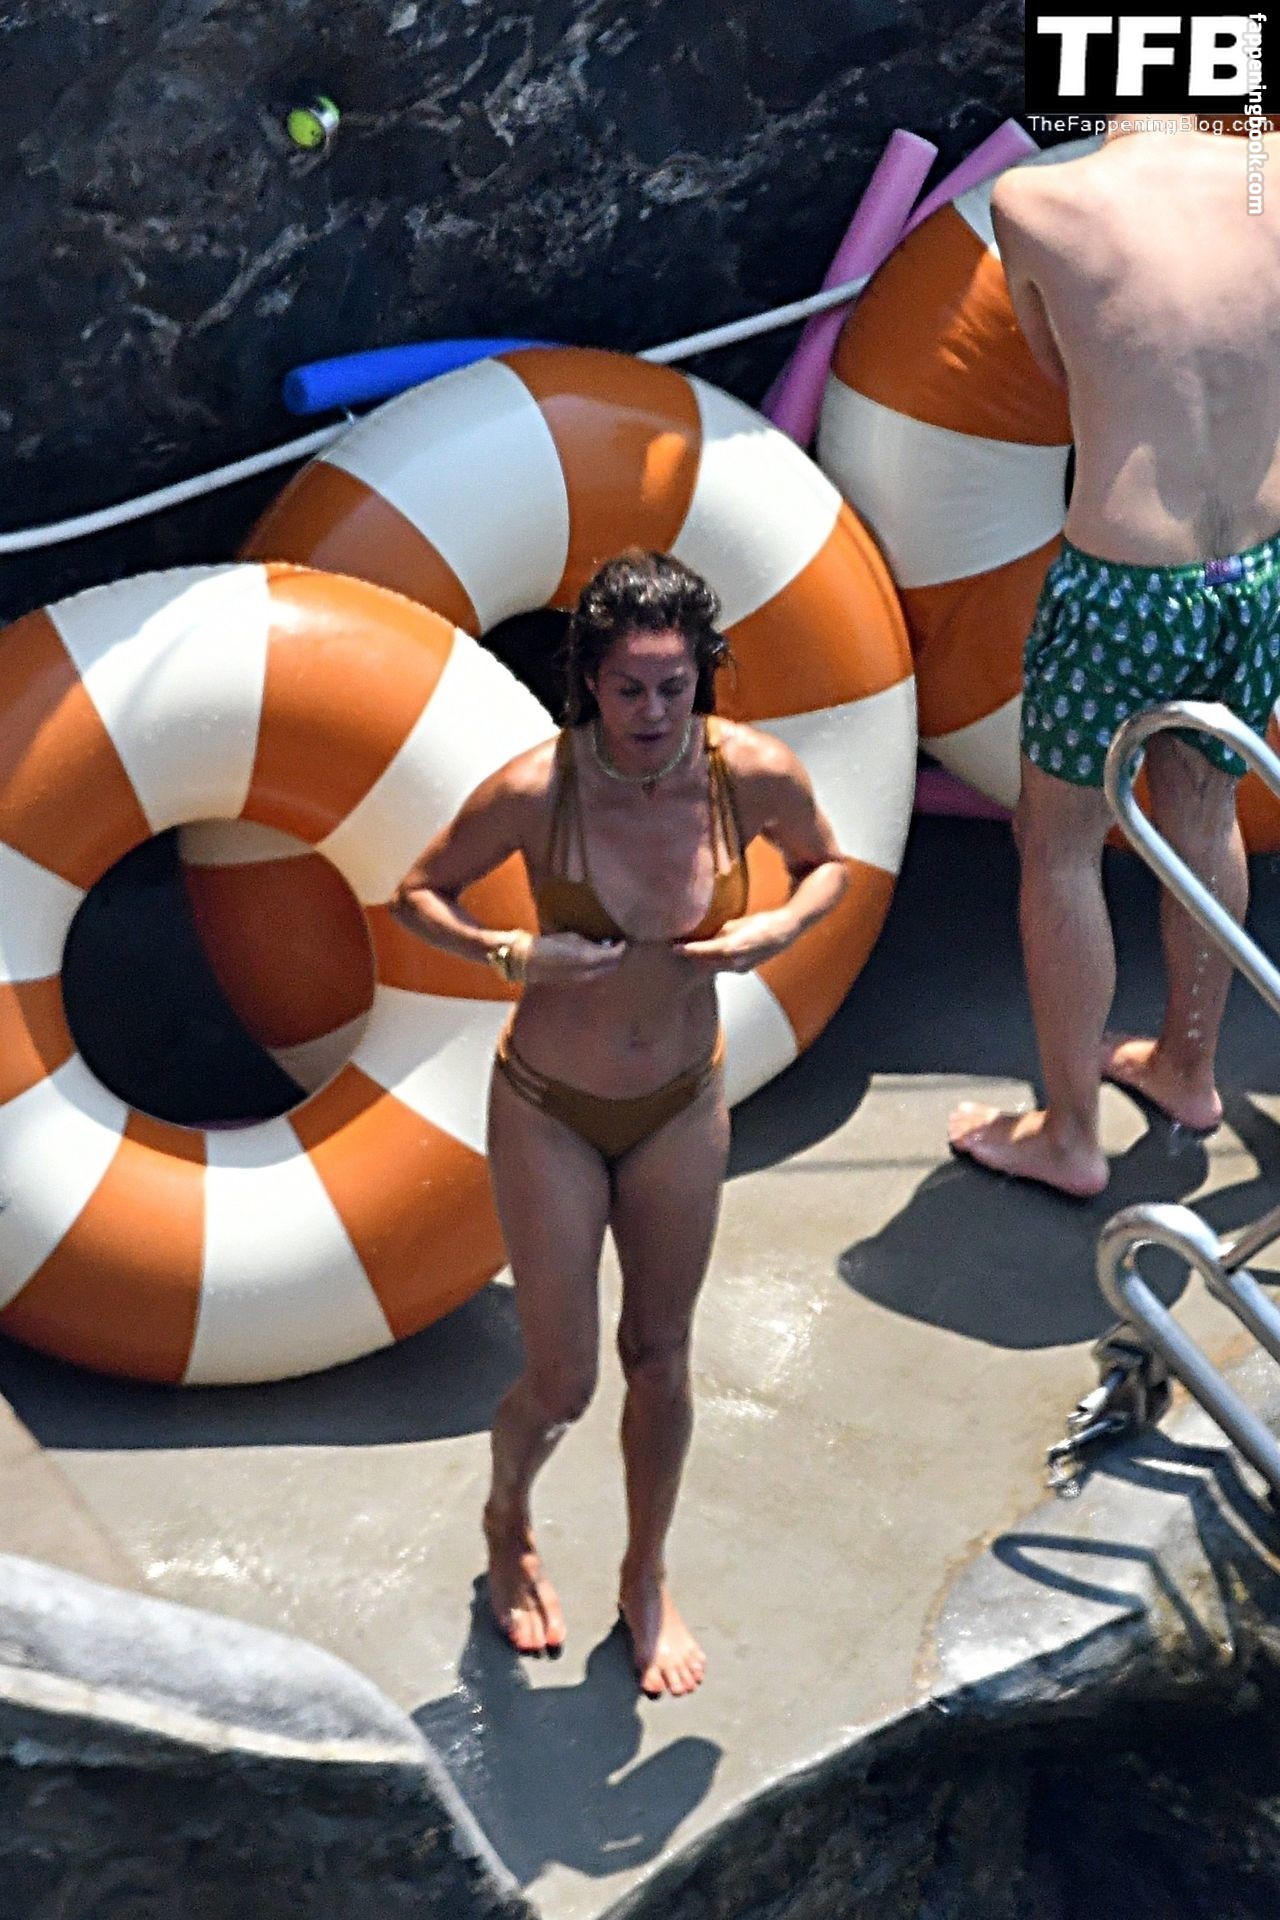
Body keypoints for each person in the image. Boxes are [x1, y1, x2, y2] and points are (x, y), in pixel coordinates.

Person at [392, 549, 848, 1695]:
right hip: (548, 1108)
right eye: (628, 687)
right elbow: (416, 892)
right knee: (561, 1385)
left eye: (673, 687)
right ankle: (507, 1521)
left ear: (702, 677)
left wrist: (778, 929)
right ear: (589, 682)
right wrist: (510, 951)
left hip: (679, 1102)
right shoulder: (534, 790)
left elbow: (827, 867)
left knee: (660, 1357)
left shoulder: (752, 775)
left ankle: (645, 1576)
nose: (651, 712)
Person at [949, 114, 1280, 1198]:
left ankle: (1069, 1136)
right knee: (1204, 813)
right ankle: (1189, 1069)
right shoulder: (1269, 171)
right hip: (1255, 569)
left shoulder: (1034, 202)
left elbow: (1057, 367)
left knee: (1057, 847)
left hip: (1125, 584)